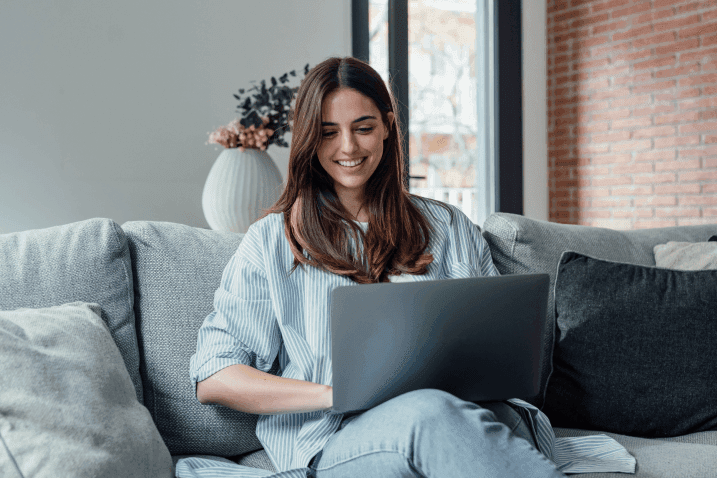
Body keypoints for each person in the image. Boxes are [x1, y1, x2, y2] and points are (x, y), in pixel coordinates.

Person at [181, 56, 567, 478]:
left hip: (464, 415)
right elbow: (215, 377)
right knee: (428, 412)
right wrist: (335, 393)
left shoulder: (449, 226)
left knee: (498, 419)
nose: (348, 147)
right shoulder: (272, 241)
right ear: (309, 139)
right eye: (329, 133)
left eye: (363, 128)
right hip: (338, 437)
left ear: (386, 126)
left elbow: (497, 352)